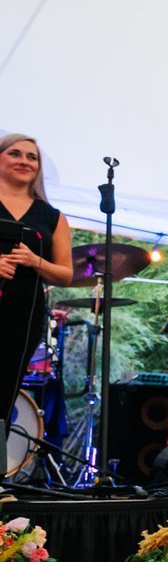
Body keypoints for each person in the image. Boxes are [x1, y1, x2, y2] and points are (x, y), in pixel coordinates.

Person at [0, 136, 73, 418]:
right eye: (15, 153)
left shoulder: (52, 217)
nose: (24, 161)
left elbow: (66, 273)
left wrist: (35, 261)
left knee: (5, 393)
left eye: (32, 157)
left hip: (22, 316)